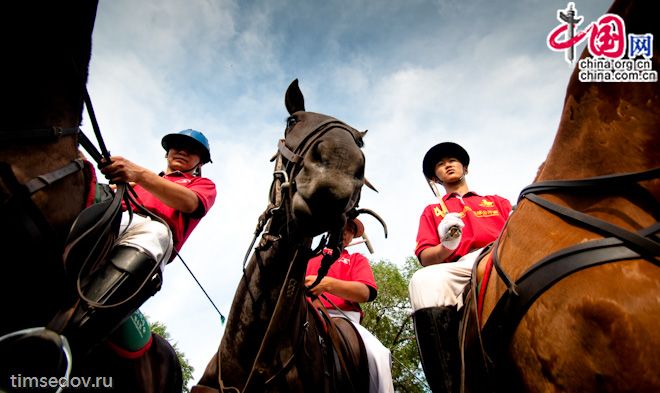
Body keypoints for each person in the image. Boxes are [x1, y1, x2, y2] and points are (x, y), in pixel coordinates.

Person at [69, 129, 217, 357]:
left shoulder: (202, 184)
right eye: (177, 146)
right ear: (167, 152)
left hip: (150, 234)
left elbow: (190, 203)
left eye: (193, 150)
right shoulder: (132, 181)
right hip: (114, 223)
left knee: (156, 232)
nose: (183, 152)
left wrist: (138, 174)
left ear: (201, 162)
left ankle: (76, 336)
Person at [409, 142, 512, 393]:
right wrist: (447, 245)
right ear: (436, 177)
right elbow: (426, 256)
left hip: (504, 255)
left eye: (453, 160)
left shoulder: (496, 201)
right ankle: (449, 386)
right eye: (441, 164)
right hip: (463, 265)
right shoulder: (433, 211)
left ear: (464, 167)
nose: (448, 164)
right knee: (423, 281)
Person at [305, 218, 395, 393]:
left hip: (345, 320)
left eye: (350, 230)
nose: (345, 232)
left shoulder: (356, 259)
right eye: (340, 224)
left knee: (380, 355)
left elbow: (364, 292)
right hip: (306, 316)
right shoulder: (308, 257)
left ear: (353, 236)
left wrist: (326, 284)